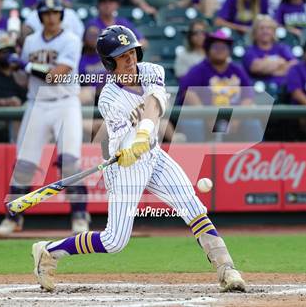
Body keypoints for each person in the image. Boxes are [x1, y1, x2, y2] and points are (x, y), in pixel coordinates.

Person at [29, 24, 246, 293]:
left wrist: (143, 136)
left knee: (193, 206)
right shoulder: (108, 98)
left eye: (132, 52)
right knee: (114, 241)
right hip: (125, 165)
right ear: (109, 62)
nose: (130, 60)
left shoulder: (153, 71)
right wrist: (131, 146)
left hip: (152, 151)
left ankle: (227, 269)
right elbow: (121, 142)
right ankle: (49, 251)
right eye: (122, 56)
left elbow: (154, 106)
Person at [0, 0, 90, 237]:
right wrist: (9, 62)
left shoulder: (70, 40)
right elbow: (22, 80)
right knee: (24, 164)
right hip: (37, 103)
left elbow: (57, 75)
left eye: (55, 13)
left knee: (70, 162)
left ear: (61, 15)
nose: (51, 17)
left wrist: (24, 64)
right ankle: (13, 217)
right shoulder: (30, 41)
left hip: (65, 103)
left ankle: (79, 215)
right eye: (46, 13)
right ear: (40, 16)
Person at [176, 30, 261, 142]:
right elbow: (189, 93)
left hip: (233, 115)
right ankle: (193, 158)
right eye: (216, 47)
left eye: (224, 48)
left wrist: (238, 118)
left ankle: (257, 157)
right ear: (208, 50)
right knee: (193, 123)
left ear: (229, 51)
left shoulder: (237, 70)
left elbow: (248, 97)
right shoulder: (199, 69)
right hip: (204, 115)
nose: (220, 51)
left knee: (252, 123)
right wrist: (207, 117)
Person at [243, 15, 297, 97]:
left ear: (274, 32)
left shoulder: (282, 48)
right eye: (261, 28)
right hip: (259, 93)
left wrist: (266, 63)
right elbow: (256, 68)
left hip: (284, 92)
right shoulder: (250, 50)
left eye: (269, 28)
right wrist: (280, 63)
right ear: (255, 32)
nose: (265, 31)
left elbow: (294, 65)